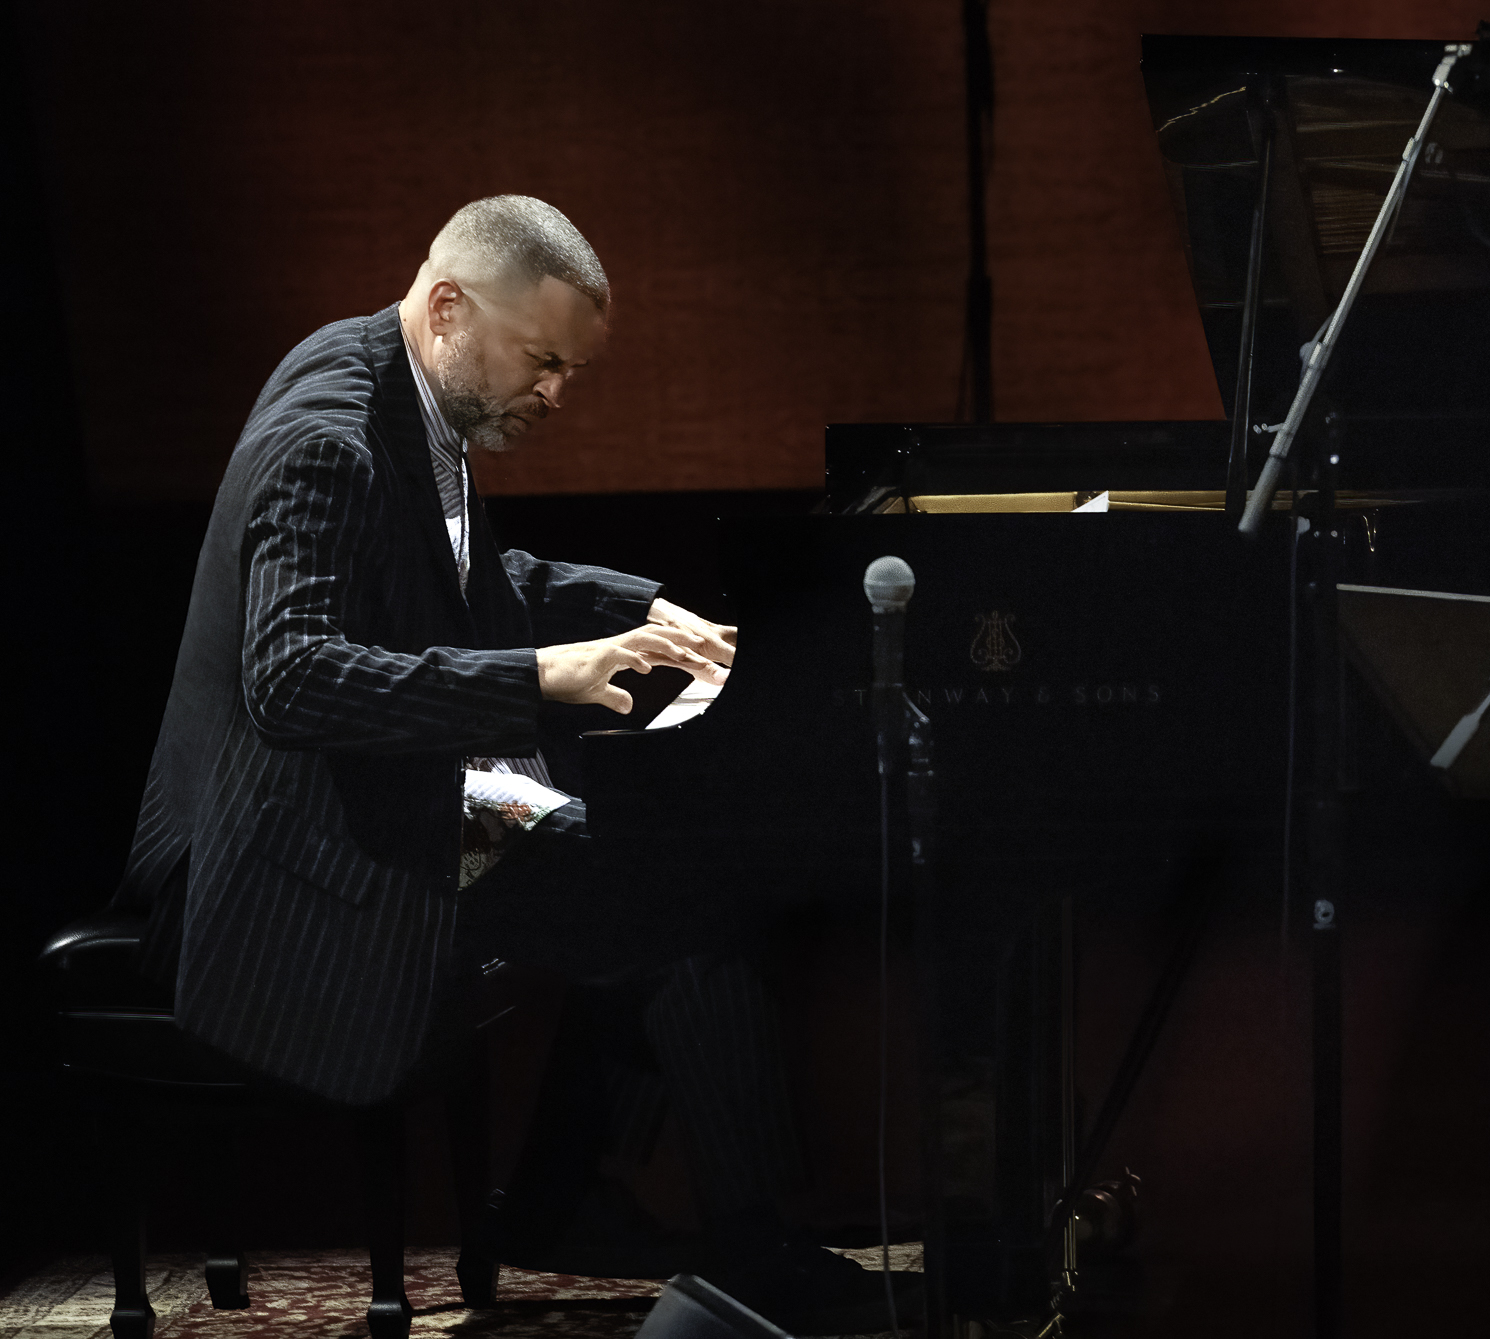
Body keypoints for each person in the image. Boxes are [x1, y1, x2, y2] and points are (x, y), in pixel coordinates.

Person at [114, 195, 907, 1330]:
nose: (556, 392)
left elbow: (479, 586)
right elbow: (290, 681)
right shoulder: (329, 443)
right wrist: (544, 676)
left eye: (571, 370)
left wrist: (649, 614)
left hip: (352, 799)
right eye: (543, 361)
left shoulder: (401, 382)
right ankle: (743, 1246)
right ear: (448, 308)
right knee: (683, 894)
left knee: (647, 870)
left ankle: (568, 1196)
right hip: (275, 850)